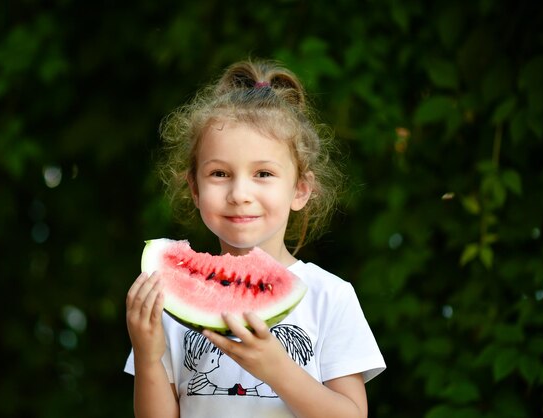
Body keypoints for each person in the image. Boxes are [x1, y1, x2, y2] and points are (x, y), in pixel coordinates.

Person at [124, 58, 386, 418]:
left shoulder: (330, 297)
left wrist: (276, 368)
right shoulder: (169, 307)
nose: (239, 193)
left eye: (263, 173)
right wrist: (148, 356)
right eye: (219, 173)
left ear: (300, 189)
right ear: (195, 189)